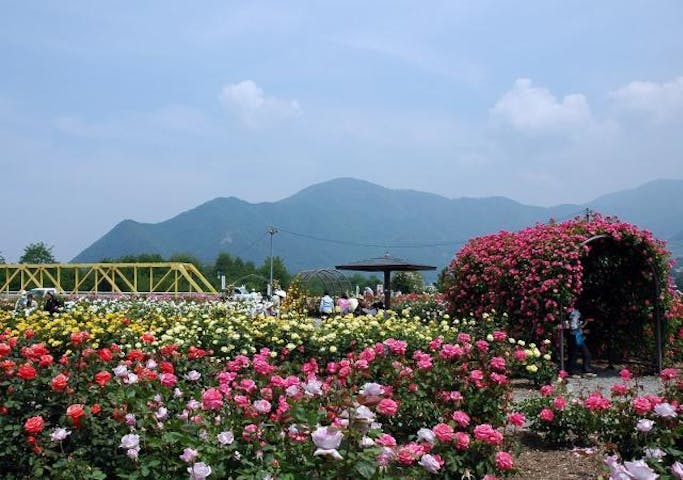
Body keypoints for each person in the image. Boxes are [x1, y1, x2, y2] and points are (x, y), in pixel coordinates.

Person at [566, 308, 596, 378]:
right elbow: (573, 326)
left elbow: (577, 325)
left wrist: (586, 322)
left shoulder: (577, 313)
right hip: (575, 336)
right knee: (575, 353)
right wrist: (583, 331)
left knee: (584, 353)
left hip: (578, 335)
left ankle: (586, 369)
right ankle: (572, 371)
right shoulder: (575, 313)